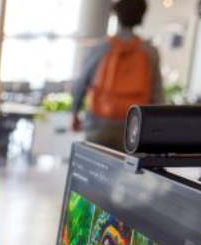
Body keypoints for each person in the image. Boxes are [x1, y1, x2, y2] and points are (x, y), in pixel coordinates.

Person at [70, 0, 163, 151]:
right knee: (124, 173)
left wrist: (75, 111)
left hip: (98, 124)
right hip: (133, 127)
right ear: (141, 16)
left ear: (117, 16)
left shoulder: (101, 47)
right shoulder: (150, 51)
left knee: (94, 170)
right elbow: (156, 92)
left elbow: (82, 81)